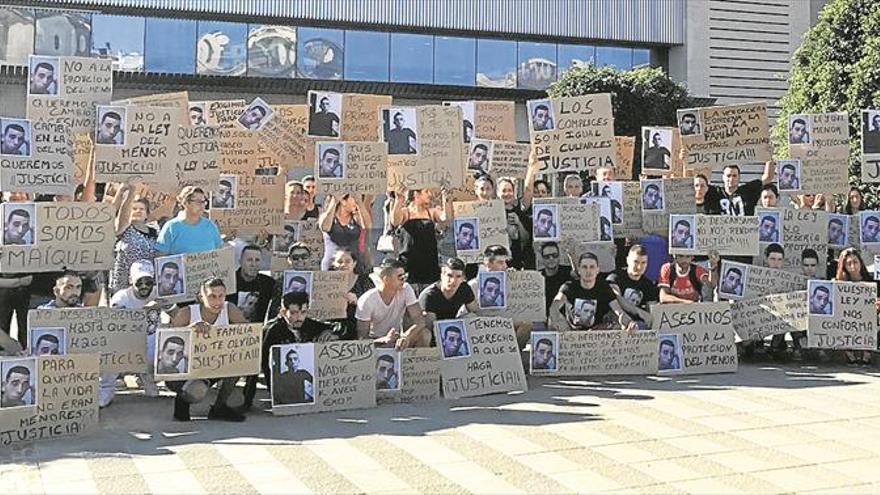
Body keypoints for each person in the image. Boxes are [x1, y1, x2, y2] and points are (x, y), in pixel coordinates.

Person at [166, 278, 249, 422]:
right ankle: (182, 400)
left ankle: (219, 407)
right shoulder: (186, 313)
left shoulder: (230, 309)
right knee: (197, 391)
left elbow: (249, 334)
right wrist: (189, 330)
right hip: (186, 371)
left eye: (221, 296)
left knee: (239, 363)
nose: (217, 301)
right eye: (212, 296)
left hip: (214, 364)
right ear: (200, 297)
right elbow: (168, 342)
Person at [257, 291, 337, 409]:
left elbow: (339, 327)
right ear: (283, 312)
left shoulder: (309, 324)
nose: (299, 317)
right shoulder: (272, 330)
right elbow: (263, 362)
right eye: (294, 313)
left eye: (303, 312)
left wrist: (331, 332)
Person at [108, 260, 160, 402]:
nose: (144, 286)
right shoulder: (121, 297)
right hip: (125, 339)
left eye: (148, 282)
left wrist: (166, 305)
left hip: (150, 338)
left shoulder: (159, 293)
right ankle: (106, 388)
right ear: (131, 280)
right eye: (139, 282)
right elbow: (112, 325)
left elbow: (178, 316)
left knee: (160, 343)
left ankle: (148, 378)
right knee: (109, 351)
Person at [549, 252, 637, 332]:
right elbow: (555, 306)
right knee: (551, 321)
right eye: (584, 267)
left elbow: (618, 311)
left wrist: (630, 322)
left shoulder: (604, 288)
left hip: (596, 335)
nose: (588, 271)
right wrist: (558, 320)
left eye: (592, 267)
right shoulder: (569, 286)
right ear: (579, 270)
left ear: (597, 270)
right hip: (570, 333)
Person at [355, 258, 428, 348]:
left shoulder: (406, 289)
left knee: (425, 334)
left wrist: (406, 336)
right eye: (400, 277)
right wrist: (384, 340)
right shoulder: (367, 300)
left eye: (405, 276)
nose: (404, 280)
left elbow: (420, 320)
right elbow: (362, 339)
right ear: (386, 280)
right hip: (376, 342)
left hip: (397, 339)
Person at [390, 189, 449, 291]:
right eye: (426, 191)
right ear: (416, 194)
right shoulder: (406, 212)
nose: (430, 194)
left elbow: (445, 218)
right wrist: (398, 200)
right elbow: (395, 221)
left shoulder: (431, 212)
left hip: (429, 263)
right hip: (409, 264)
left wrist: (446, 199)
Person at [108, 184, 158, 295]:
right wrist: (131, 192)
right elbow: (123, 220)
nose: (138, 211)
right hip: (124, 285)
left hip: (147, 284)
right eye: (134, 209)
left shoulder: (155, 232)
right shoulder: (124, 229)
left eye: (142, 209)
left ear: (147, 214)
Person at [835, 248, 879, 365]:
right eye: (849, 264)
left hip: (869, 319)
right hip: (847, 320)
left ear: (861, 263)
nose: (853, 267)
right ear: (844, 266)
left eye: (855, 262)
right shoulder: (839, 284)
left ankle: (867, 352)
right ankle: (848, 352)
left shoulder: (872, 282)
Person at [156, 186, 224, 255]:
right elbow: (160, 256)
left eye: (203, 202)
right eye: (198, 202)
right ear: (185, 203)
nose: (202, 205)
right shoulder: (171, 227)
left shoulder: (210, 226)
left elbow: (220, 252)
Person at [606, 245, 659, 328]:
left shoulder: (648, 284)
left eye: (643, 263)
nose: (639, 267)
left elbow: (651, 310)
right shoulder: (615, 277)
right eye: (636, 262)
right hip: (615, 320)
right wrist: (641, 313)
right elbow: (617, 298)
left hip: (636, 325)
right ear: (628, 260)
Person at [419, 258, 478, 332]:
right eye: (449, 276)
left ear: (463, 278)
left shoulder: (464, 288)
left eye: (458, 276)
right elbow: (431, 326)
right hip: (433, 329)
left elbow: (475, 311)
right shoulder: (430, 295)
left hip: (453, 325)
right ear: (442, 275)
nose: (453, 281)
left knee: (472, 317)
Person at [328, 249, 374, 340]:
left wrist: (359, 302)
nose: (343, 264)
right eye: (339, 261)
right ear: (333, 264)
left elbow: (376, 306)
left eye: (348, 261)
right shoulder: (326, 282)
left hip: (358, 328)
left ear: (354, 263)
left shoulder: (364, 281)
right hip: (332, 328)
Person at [319, 194, 370, 273]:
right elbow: (325, 227)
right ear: (343, 201)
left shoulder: (356, 217)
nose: (355, 201)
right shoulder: (328, 217)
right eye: (353, 198)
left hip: (354, 264)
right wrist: (334, 201)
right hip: (333, 264)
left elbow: (367, 226)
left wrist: (360, 203)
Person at [703, 162, 775, 216]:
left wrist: (768, 157)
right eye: (728, 176)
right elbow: (699, 180)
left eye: (734, 176)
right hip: (718, 234)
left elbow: (768, 178)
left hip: (744, 234)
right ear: (723, 177)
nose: (731, 179)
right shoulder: (714, 192)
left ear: (739, 177)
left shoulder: (747, 191)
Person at [227, 245, 275, 323]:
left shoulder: (269, 283)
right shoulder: (229, 281)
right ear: (240, 262)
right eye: (249, 260)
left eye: (257, 260)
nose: (253, 264)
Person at [538, 242, 572, 315]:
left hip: (566, 318)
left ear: (559, 256)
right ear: (542, 259)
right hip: (544, 318)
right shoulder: (537, 277)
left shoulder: (568, 272)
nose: (551, 259)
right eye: (547, 256)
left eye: (554, 255)